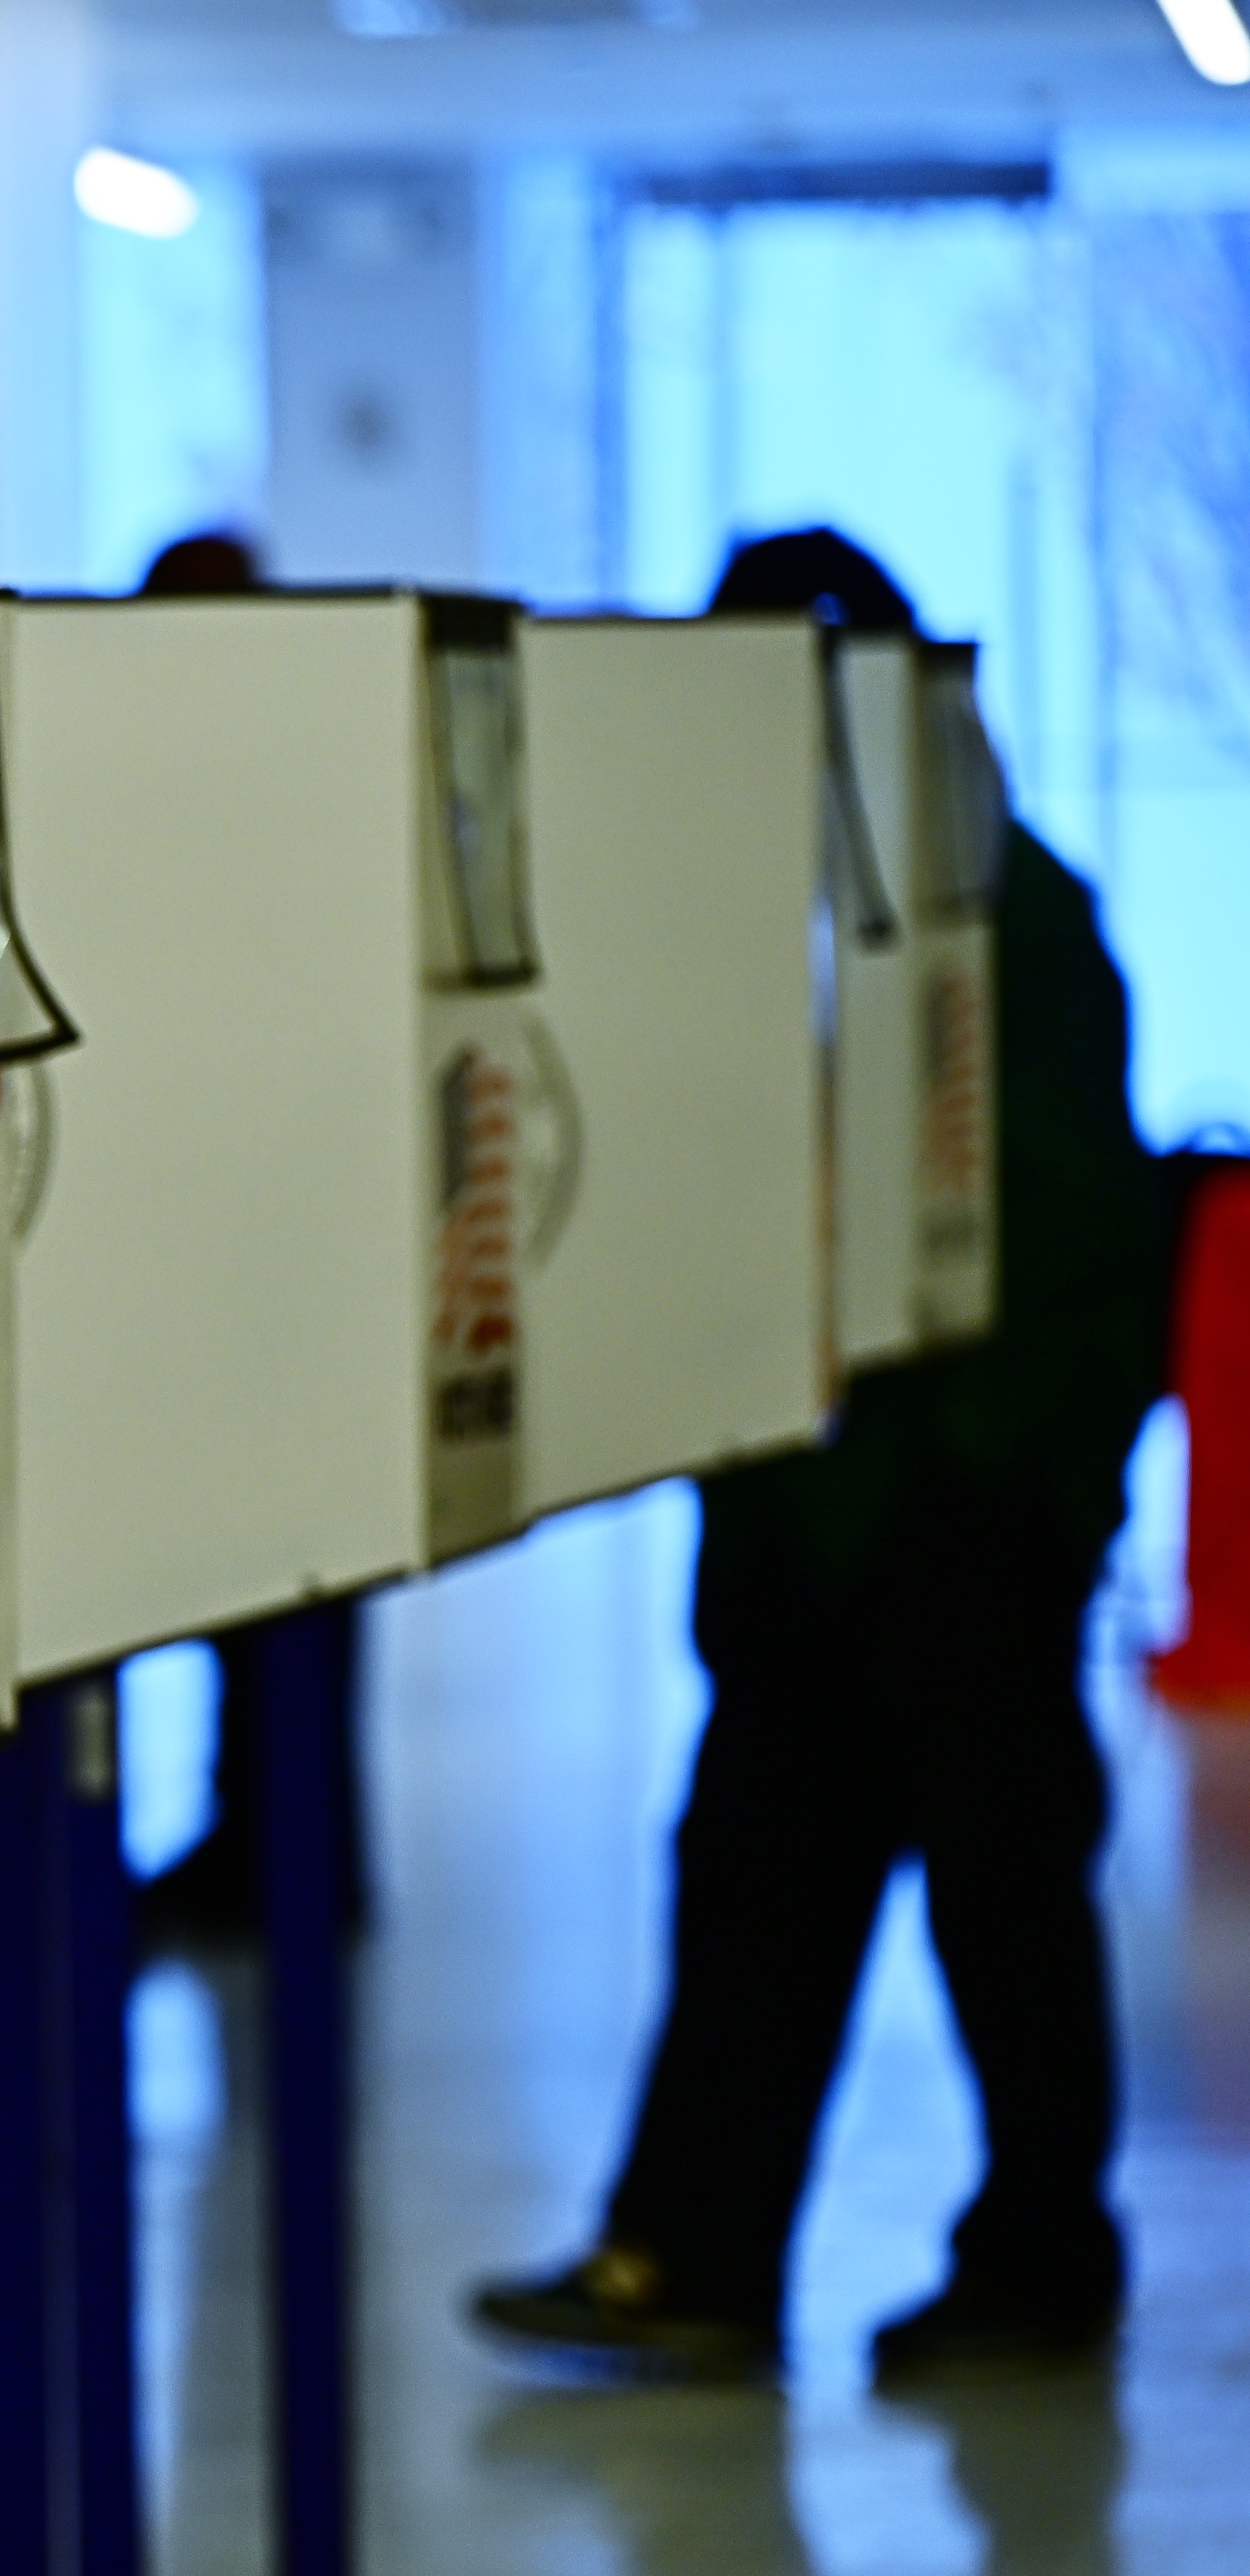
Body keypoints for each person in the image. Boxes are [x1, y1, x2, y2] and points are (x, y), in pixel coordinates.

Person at [472, 528, 1177, 2388]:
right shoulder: (757, 928)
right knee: (754, 1883)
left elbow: (1083, 1242)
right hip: (807, 1515)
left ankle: (1040, 2251)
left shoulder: (1009, 920)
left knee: (1005, 1890)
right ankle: (690, 2251)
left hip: (953, 1513)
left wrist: (1024, 1487)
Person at [115, 526, 376, 1950]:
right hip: (286, 1262)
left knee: (286, 1580)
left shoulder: (218, 802)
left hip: (263, 1266)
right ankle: (284, 1848)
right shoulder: (296, 782)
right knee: (283, 1582)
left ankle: (297, 1857)